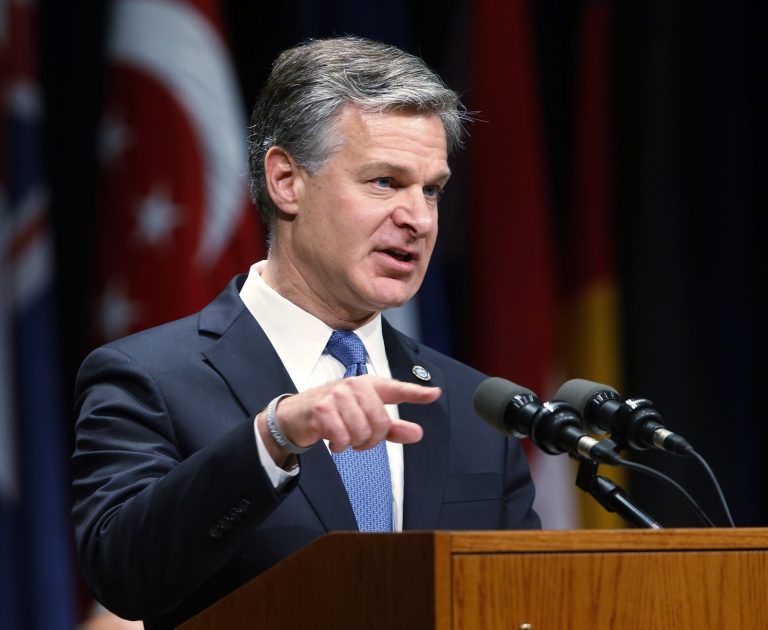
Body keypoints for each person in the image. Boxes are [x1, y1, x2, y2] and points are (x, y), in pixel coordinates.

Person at [72, 36, 540, 630]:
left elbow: (520, 600)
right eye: (384, 182)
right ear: (286, 180)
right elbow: (124, 574)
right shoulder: (151, 378)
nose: (419, 219)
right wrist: (273, 435)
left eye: (432, 189)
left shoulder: (476, 406)